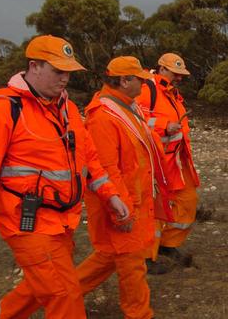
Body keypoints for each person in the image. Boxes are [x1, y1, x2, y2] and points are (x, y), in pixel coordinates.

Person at [0, 35, 126, 319]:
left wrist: (111, 194)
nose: (64, 79)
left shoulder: (68, 109)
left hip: (63, 221)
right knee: (64, 295)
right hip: (28, 225)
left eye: (68, 72)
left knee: (42, 286)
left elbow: (89, 159)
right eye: (58, 71)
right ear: (34, 66)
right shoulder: (3, 109)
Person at [76, 56, 171, 318]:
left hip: (135, 202)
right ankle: (140, 314)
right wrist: (123, 209)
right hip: (123, 207)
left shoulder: (129, 107)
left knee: (107, 259)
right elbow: (106, 169)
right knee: (132, 266)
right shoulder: (103, 117)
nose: (144, 83)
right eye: (138, 79)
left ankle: (59, 294)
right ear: (123, 80)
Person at [136, 53, 200, 271]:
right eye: (176, 73)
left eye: (181, 75)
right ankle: (147, 257)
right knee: (154, 211)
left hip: (175, 161)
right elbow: (137, 118)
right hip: (154, 161)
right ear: (162, 69)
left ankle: (168, 244)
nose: (179, 78)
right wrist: (164, 125)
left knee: (187, 200)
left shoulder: (172, 93)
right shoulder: (147, 89)